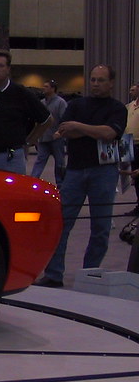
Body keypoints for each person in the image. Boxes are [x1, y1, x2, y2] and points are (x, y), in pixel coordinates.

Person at [35, 64, 128, 288]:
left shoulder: (118, 109)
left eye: (101, 80)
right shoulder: (76, 105)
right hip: (75, 171)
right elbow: (67, 132)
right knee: (62, 223)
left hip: (104, 172)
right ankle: (54, 274)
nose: (96, 84)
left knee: (100, 227)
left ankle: (89, 275)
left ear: (111, 83)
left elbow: (110, 133)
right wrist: (91, 130)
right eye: (93, 79)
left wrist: (80, 127)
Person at [31, 79, 68, 185]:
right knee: (40, 160)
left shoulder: (60, 102)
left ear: (53, 89)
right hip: (43, 137)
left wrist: (60, 132)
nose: (43, 88)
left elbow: (64, 118)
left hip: (56, 138)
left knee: (59, 162)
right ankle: (33, 180)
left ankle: (61, 184)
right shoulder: (42, 103)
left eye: (46, 87)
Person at [125, 81, 139, 215]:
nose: (131, 92)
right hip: (130, 144)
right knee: (135, 177)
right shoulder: (130, 106)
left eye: (133, 90)